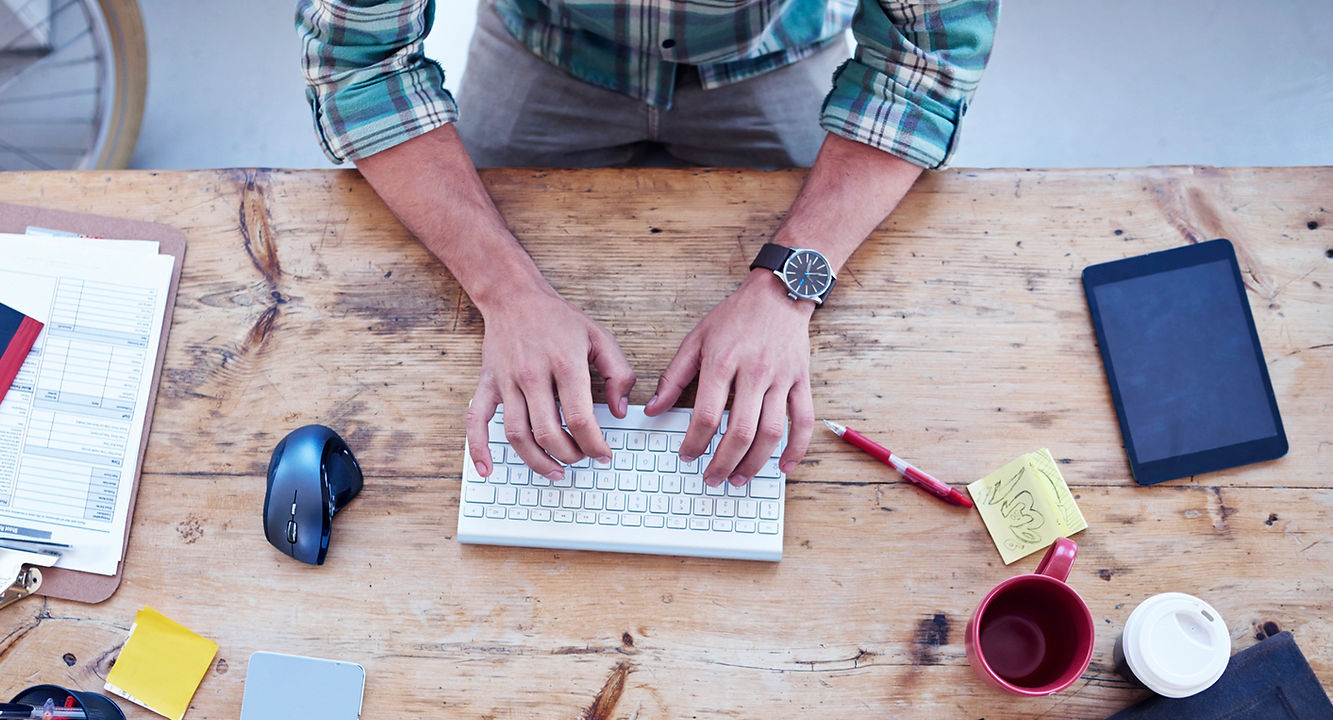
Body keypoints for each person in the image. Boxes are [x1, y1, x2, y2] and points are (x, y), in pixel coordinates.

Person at [296, 0, 998, 488]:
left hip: (773, 54)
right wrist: (505, 293)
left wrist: (788, 286)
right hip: (546, 45)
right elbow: (361, 62)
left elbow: (924, 59)